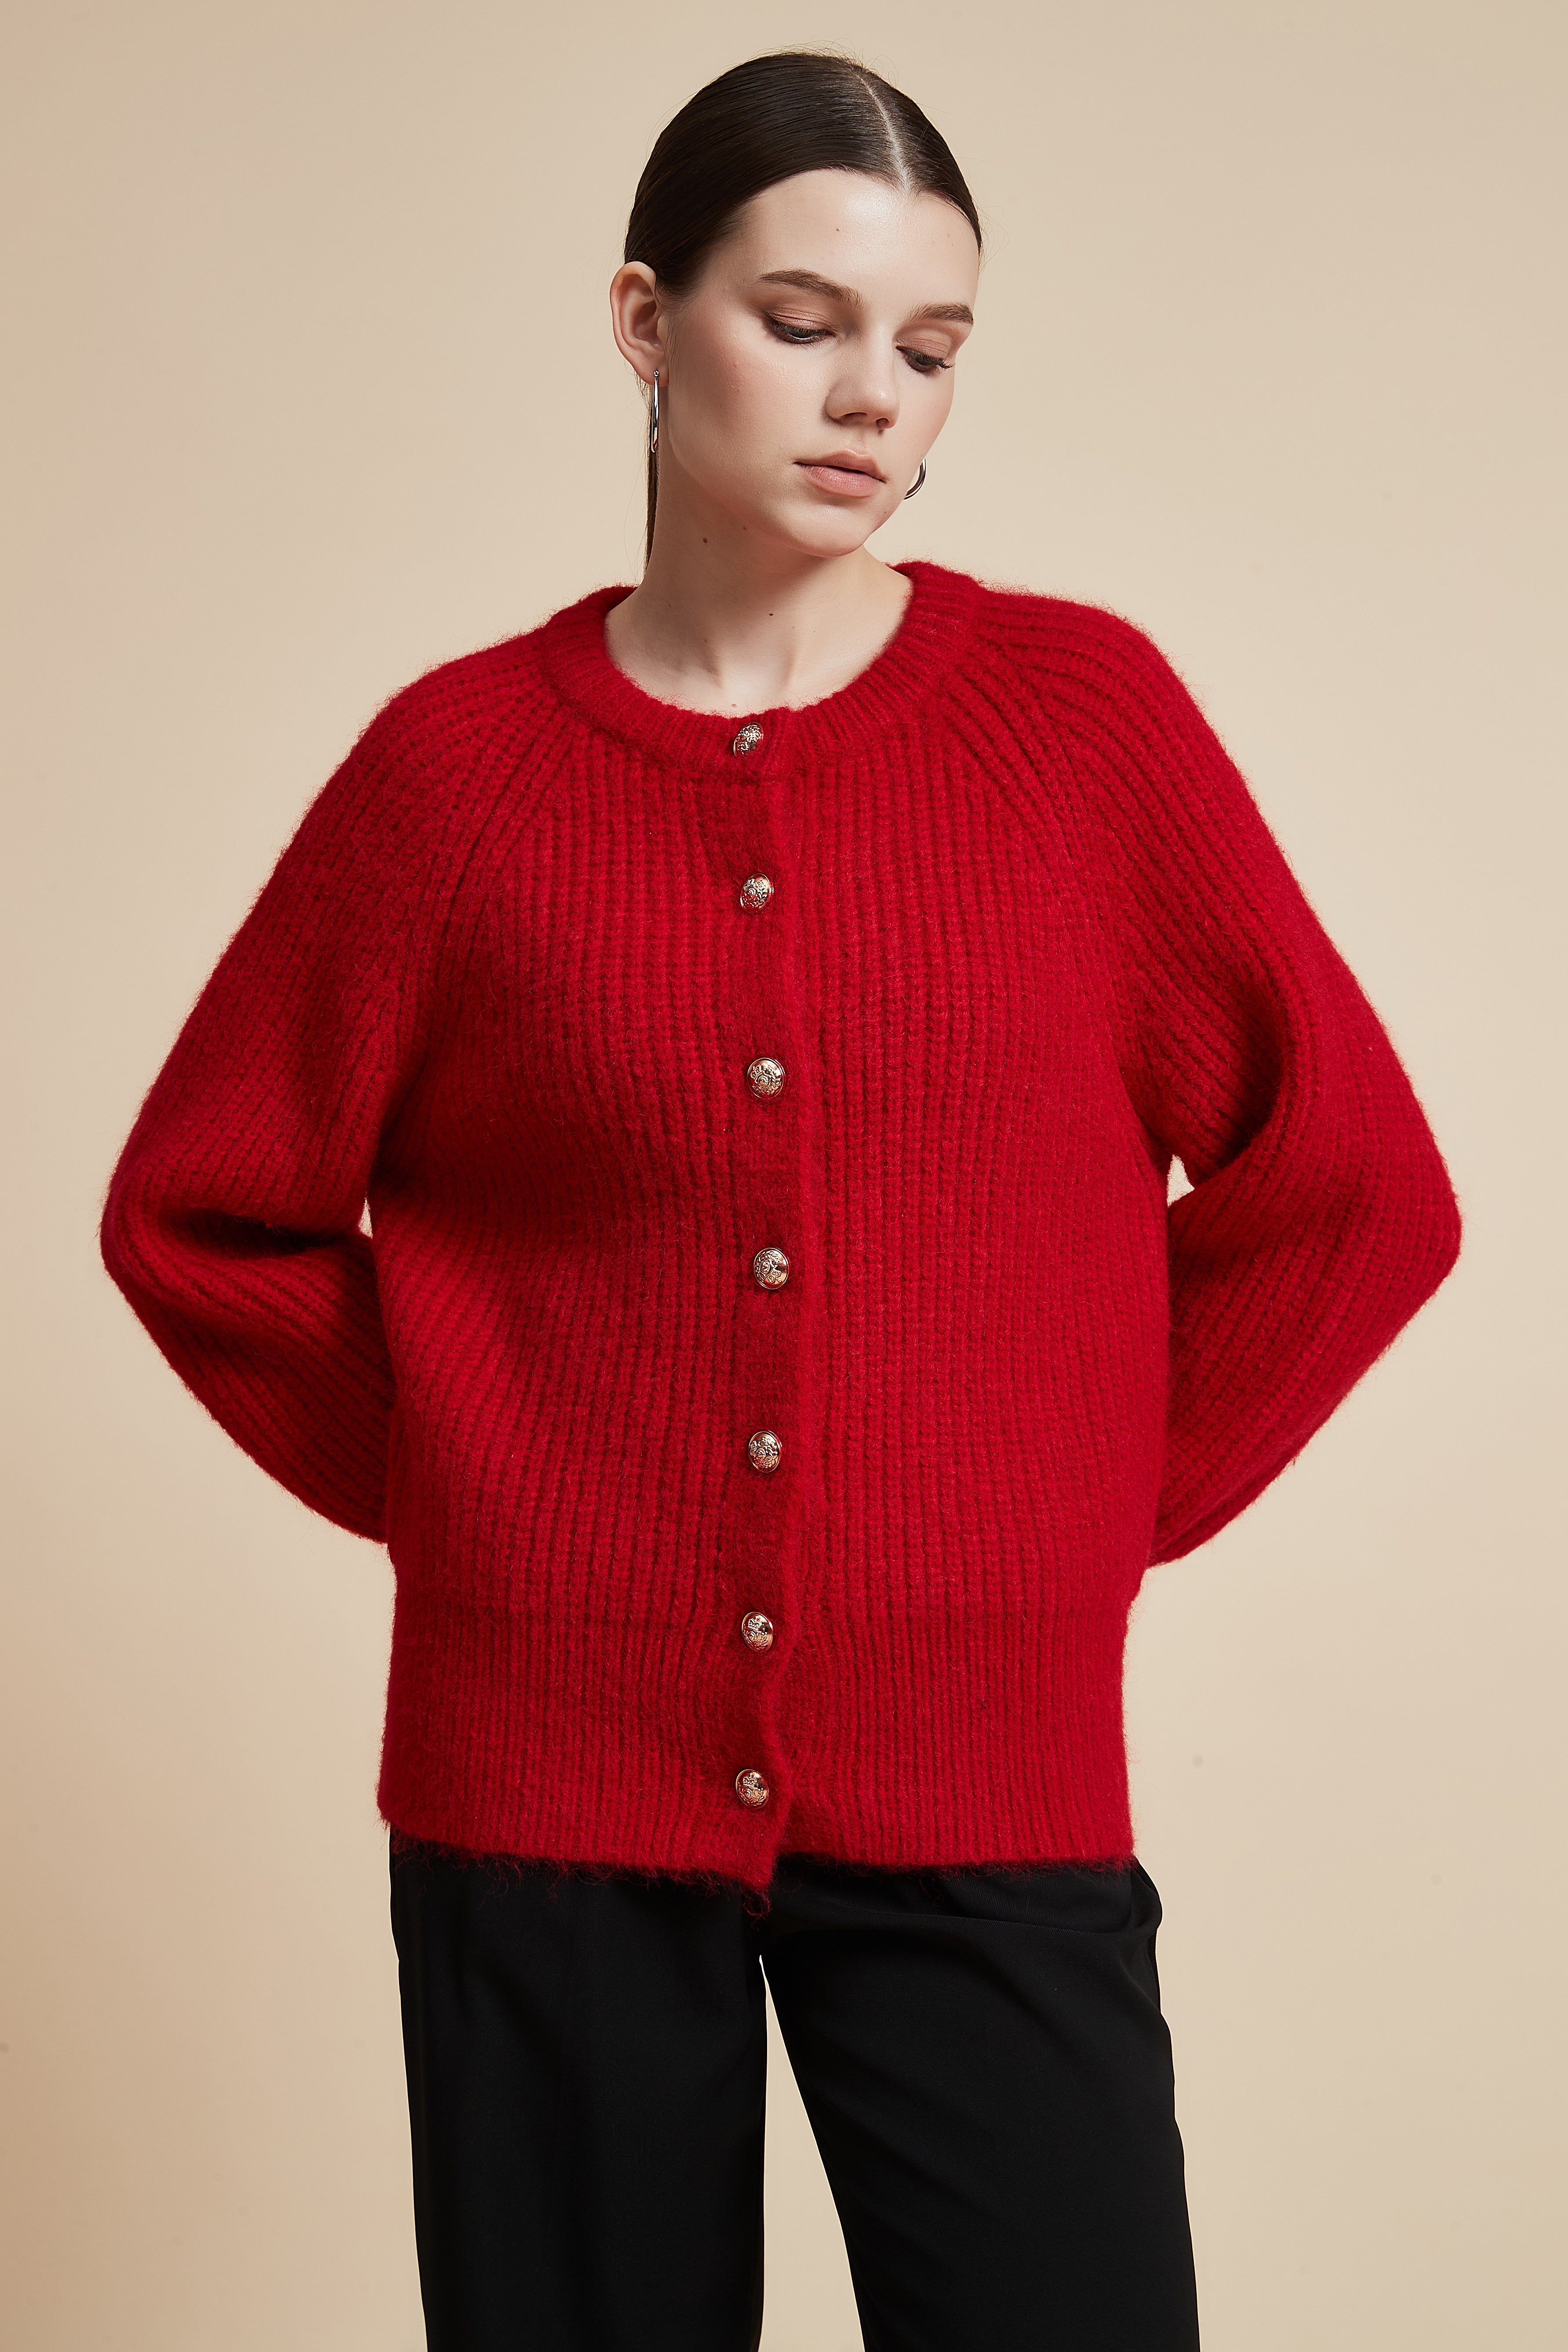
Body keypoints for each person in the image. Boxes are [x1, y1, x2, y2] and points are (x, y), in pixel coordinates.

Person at [98, 47, 1463, 2352]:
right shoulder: (455, 777)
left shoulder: (1080, 729)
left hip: (986, 1769)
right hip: (544, 1787)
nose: (871, 401)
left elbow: (1353, 1191)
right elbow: (202, 1216)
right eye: (803, 321)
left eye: (931, 348)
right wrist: (492, 1492)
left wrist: (1065, 1518)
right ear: (648, 323)